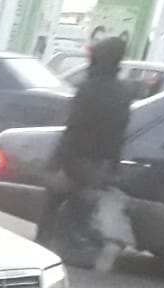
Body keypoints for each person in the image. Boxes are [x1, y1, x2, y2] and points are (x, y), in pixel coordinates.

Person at [41, 35, 134, 266]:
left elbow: (74, 128)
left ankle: (44, 248)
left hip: (76, 158)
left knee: (53, 204)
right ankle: (78, 250)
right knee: (82, 207)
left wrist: (57, 162)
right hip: (100, 162)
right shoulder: (123, 91)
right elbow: (119, 134)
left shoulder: (88, 88)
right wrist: (112, 166)